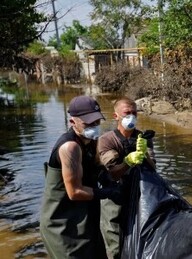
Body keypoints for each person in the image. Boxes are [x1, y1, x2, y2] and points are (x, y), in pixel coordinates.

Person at [40, 95, 118, 258]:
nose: (94, 126)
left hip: (85, 217)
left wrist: (109, 179)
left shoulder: (92, 139)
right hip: (63, 223)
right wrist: (107, 193)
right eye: (88, 123)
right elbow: (74, 192)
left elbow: (97, 166)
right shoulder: (70, 147)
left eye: (97, 122)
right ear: (73, 122)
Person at [97, 97, 155, 258]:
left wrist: (144, 154)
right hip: (113, 198)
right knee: (114, 245)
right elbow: (113, 173)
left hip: (137, 196)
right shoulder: (106, 140)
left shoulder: (142, 138)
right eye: (127, 113)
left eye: (134, 113)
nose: (131, 116)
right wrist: (129, 161)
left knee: (140, 241)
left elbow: (153, 168)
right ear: (116, 116)